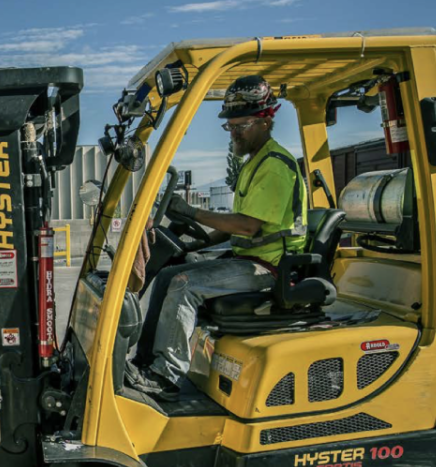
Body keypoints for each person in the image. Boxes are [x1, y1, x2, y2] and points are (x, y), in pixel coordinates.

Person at [130, 74, 308, 400]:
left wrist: (192, 212)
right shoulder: (255, 164)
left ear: (265, 122)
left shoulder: (274, 166)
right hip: (250, 258)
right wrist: (197, 244)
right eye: (230, 127)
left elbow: (247, 226)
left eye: (240, 127)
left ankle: (165, 378)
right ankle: (146, 363)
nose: (233, 133)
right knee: (170, 272)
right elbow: (234, 225)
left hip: (270, 268)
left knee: (185, 283)